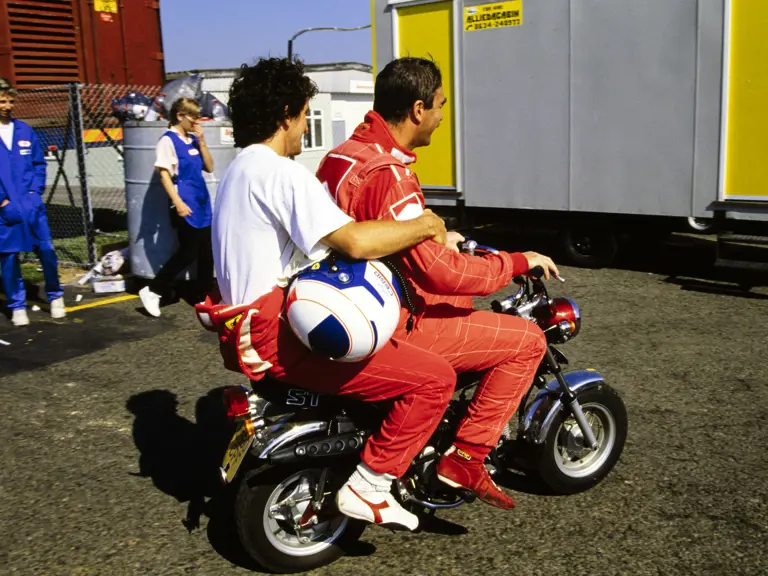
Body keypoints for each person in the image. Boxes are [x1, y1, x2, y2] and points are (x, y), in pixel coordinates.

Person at [200, 57, 454, 532]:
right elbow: (355, 239)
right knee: (433, 378)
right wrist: (425, 224)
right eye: (303, 116)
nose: (304, 128)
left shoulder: (238, 170)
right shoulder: (281, 173)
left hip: (243, 332)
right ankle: (373, 485)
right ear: (284, 115)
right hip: (279, 336)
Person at [316, 57, 559, 512]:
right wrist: (516, 261)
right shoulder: (390, 174)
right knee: (526, 340)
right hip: (387, 318)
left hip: (342, 296)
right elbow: (442, 272)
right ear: (418, 108)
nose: (444, 114)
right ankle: (466, 457)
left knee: (462, 300)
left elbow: (376, 230)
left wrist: (440, 237)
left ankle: (436, 432)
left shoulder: (344, 156)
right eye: (441, 104)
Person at [139, 97, 214, 317]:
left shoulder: (192, 140)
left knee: (206, 252)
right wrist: (178, 203)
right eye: (193, 117)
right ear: (180, 116)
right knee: (188, 252)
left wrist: (202, 141)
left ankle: (204, 296)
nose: (196, 121)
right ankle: (153, 290)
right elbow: (164, 174)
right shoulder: (167, 141)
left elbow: (209, 167)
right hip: (185, 201)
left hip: (201, 200)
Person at [0, 77, 65, 326]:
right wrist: (2, 203)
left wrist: (35, 192)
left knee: (46, 250)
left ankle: (55, 295)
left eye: (10, 101)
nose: (7, 106)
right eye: (2, 101)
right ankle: (16, 305)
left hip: (31, 205)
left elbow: (38, 163)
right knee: (8, 258)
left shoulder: (25, 130)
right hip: (5, 208)